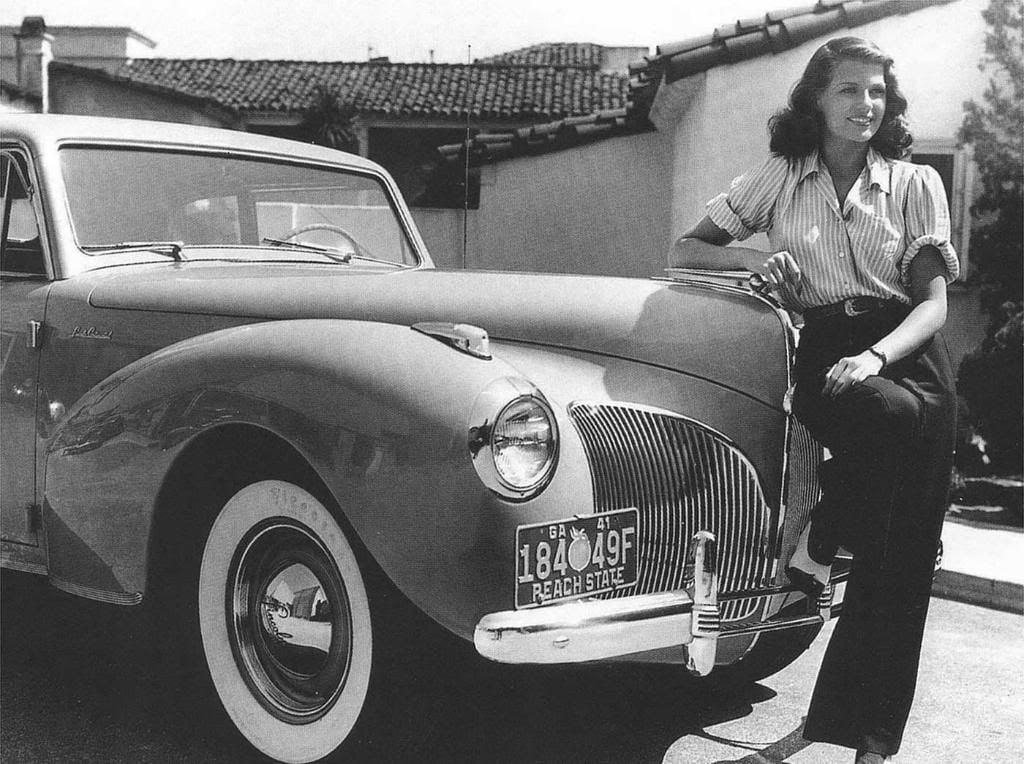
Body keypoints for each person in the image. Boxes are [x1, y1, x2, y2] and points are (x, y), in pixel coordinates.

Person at [668, 37, 958, 764]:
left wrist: (876, 356)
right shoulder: (781, 177)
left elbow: (932, 304)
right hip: (828, 351)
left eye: (877, 93)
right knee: (883, 430)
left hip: (908, 355)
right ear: (816, 100)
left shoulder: (915, 182)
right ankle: (827, 531)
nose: (867, 105)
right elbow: (685, 250)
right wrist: (759, 260)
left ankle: (863, 742)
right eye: (850, 91)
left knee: (901, 566)